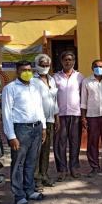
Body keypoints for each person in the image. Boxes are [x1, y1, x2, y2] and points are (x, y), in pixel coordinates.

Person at [2, 60, 46, 204]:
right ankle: (19, 195)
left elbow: (40, 108)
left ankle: (30, 190)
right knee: (18, 164)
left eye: (29, 69)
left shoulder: (35, 87)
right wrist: (11, 136)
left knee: (31, 162)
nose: (27, 72)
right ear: (17, 72)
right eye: (23, 70)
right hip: (21, 130)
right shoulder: (10, 88)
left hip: (36, 128)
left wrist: (44, 127)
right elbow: (7, 114)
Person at [53, 51, 84, 181]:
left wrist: (83, 116)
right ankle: (62, 170)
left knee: (75, 142)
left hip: (75, 114)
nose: (68, 62)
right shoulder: (55, 77)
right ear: (61, 61)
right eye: (65, 59)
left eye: (70, 59)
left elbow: (83, 96)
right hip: (60, 115)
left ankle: (74, 167)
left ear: (74, 61)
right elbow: (52, 97)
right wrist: (55, 116)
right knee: (59, 143)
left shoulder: (80, 77)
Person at [81, 59, 102, 177]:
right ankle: (94, 167)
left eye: (101, 66)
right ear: (92, 68)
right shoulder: (86, 81)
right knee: (92, 142)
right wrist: (83, 117)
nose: (98, 68)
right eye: (96, 66)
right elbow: (83, 101)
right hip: (92, 116)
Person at [32, 54, 59, 190]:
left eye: (47, 65)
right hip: (37, 121)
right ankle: (35, 179)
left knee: (46, 149)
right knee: (36, 150)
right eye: (42, 65)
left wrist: (56, 117)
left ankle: (44, 174)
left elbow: (54, 101)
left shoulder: (52, 80)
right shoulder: (32, 81)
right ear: (36, 65)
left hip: (50, 119)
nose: (44, 67)